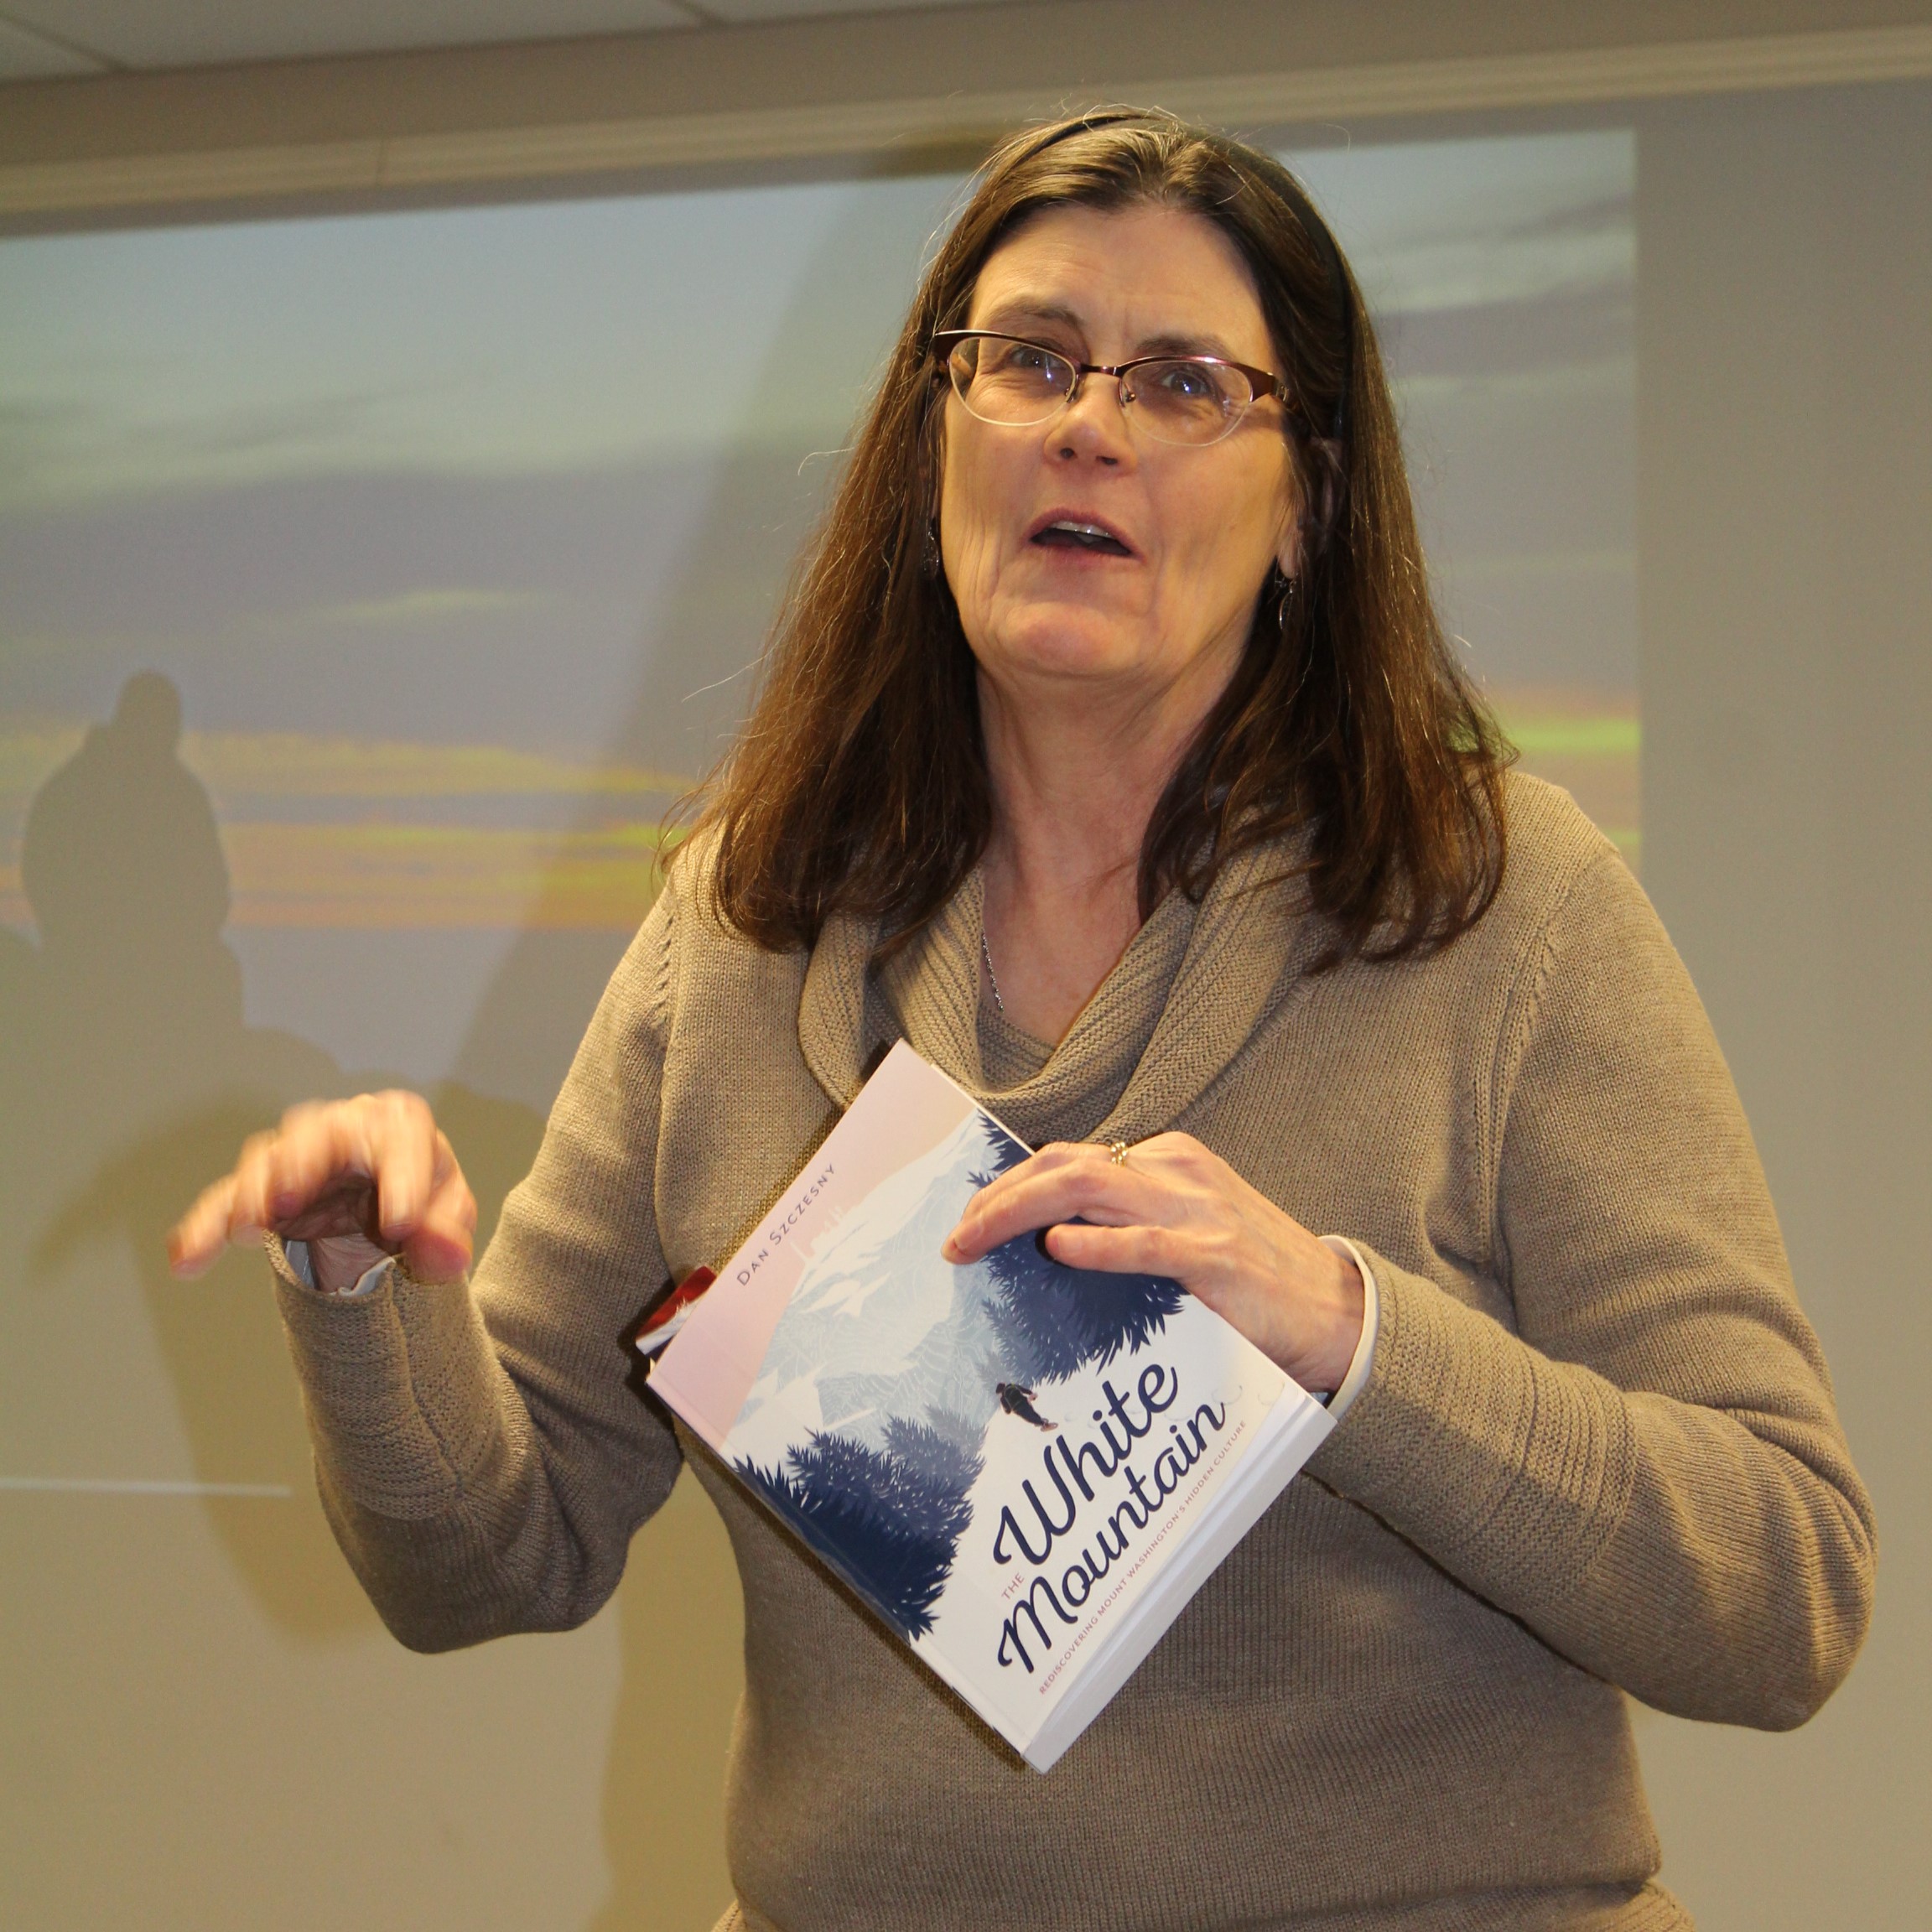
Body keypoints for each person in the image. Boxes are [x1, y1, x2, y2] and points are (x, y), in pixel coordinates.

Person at [169, 111, 1873, 1930]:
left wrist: (1343, 1337)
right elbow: (491, 1561)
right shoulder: (738, 930)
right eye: (1030, 362)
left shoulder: (1498, 901)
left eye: (1187, 384)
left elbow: (1783, 1589)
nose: (1089, 423)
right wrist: (365, 1291)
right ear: (930, 458)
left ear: (1304, 504)